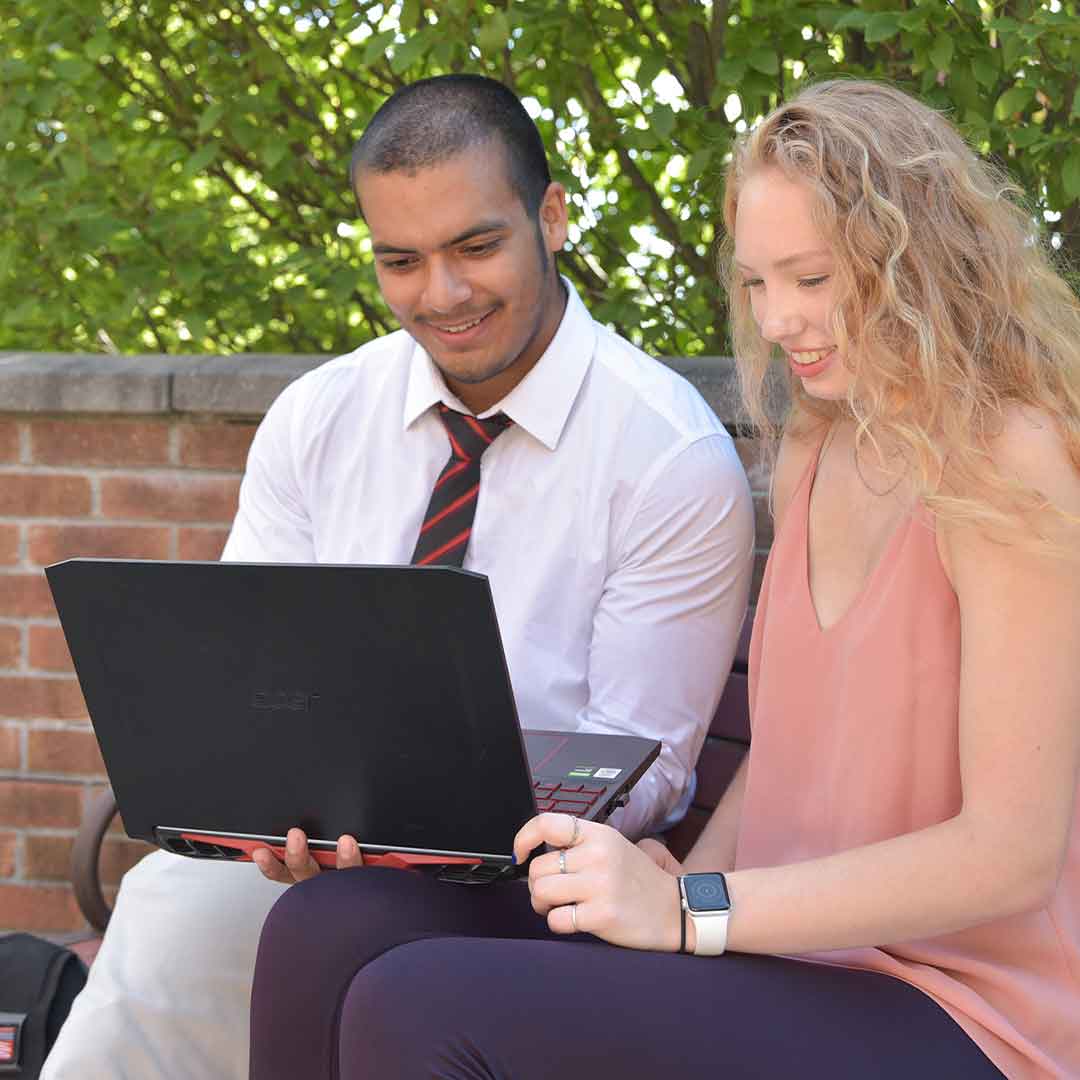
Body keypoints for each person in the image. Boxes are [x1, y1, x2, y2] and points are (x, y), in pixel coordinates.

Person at [247, 79, 1080, 1079]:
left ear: (914, 261)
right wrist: (677, 877)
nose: (778, 321)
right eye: (759, 283)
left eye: (812, 280)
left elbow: (1010, 854)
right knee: (328, 926)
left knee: (415, 1006)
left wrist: (694, 912)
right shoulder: (823, 439)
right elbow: (784, 760)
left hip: (956, 1006)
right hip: (777, 947)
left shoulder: (1010, 459)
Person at [42, 76, 753, 1079]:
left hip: (530, 875)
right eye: (401, 261)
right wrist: (262, 800)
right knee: (174, 900)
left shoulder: (667, 456)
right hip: (320, 846)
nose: (442, 295)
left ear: (551, 217)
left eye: (475, 246)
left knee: (327, 927)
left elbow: (648, 769)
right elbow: (254, 672)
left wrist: (455, 828)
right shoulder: (320, 416)